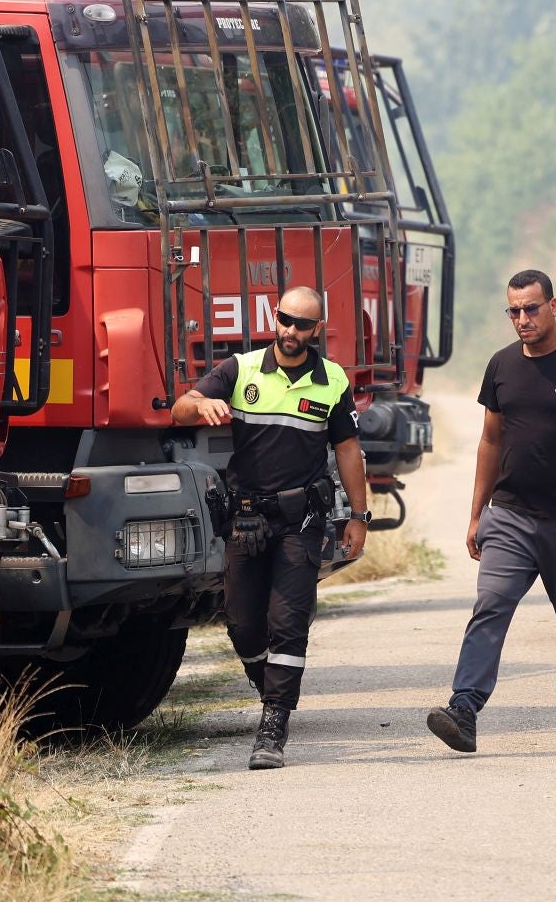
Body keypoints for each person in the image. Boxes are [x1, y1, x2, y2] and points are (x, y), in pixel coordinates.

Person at [171, 284, 370, 771]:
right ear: (273, 318)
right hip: (245, 518)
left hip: (301, 521)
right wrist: (202, 405)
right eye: (284, 319)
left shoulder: (332, 381)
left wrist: (360, 518)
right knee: (241, 624)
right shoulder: (241, 369)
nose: (290, 331)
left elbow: (347, 451)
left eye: (302, 324)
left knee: (288, 623)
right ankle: (268, 685)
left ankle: (274, 723)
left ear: (316, 330)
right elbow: (178, 409)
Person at [427, 269, 556, 754]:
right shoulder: (500, 366)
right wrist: (476, 514)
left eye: (531, 308)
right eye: (513, 310)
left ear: (553, 307)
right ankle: (464, 709)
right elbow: (490, 441)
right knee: (489, 608)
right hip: (510, 517)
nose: (522, 319)